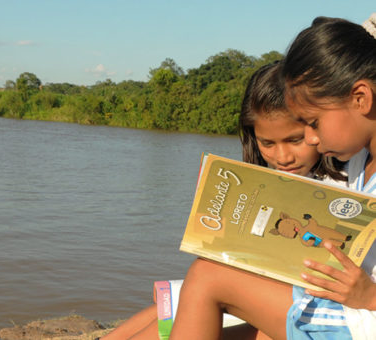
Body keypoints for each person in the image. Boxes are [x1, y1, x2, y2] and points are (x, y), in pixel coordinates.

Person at [103, 61, 346, 340]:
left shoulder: (338, 184)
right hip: (280, 295)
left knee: (199, 287)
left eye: (294, 140)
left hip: (313, 306)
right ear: (254, 140)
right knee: (166, 307)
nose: (282, 157)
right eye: (268, 144)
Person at [278, 15, 376, 340]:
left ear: (360, 98)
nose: (310, 138)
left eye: (314, 122)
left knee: (210, 278)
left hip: (356, 323)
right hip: (332, 311)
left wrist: (371, 297)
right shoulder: (360, 163)